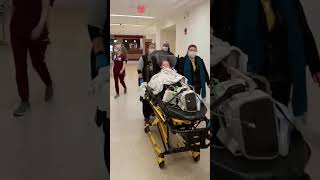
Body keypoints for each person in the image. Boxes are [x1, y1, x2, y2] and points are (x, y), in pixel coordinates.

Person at [212, 0, 320, 120]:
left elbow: (302, 29)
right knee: (252, 119)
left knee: (278, 118)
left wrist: (315, 65)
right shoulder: (230, 3)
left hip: (281, 73)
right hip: (249, 75)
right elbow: (219, 34)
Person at [10, 0, 53, 117]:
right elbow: (13, 6)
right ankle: (24, 101)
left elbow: (46, 7)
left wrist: (41, 27)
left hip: (35, 27)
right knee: (20, 65)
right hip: (17, 29)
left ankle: (48, 83)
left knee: (37, 62)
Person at [87, 0, 109, 173]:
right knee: (108, 128)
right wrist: (102, 64)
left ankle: (102, 108)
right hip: (103, 62)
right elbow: (94, 29)